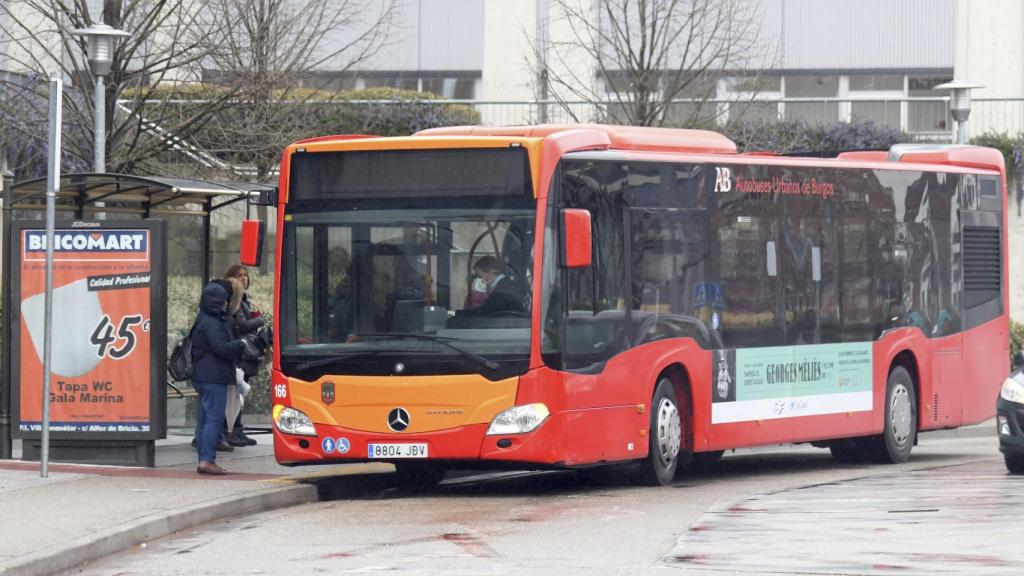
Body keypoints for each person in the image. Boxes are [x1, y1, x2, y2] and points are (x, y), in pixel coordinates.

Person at [192, 281, 247, 475]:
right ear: (217, 302)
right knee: (214, 419)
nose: (226, 303)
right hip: (213, 376)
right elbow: (221, 348)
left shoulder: (203, 318)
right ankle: (207, 460)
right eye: (224, 300)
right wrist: (240, 344)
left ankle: (203, 458)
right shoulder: (212, 322)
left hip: (203, 375)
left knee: (204, 419)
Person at [224, 265, 266, 446]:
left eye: (245, 275)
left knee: (241, 391)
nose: (243, 278)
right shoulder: (235, 300)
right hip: (240, 351)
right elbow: (241, 324)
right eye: (239, 275)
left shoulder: (244, 299)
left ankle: (238, 429)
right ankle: (232, 430)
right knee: (237, 392)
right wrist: (261, 319)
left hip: (245, 351)